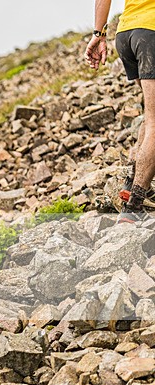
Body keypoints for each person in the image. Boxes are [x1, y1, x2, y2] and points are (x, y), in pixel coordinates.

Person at [86, 0, 155, 223]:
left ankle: (131, 183)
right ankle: (135, 204)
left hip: (126, 33)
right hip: (151, 31)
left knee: (151, 114)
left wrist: (99, 33)